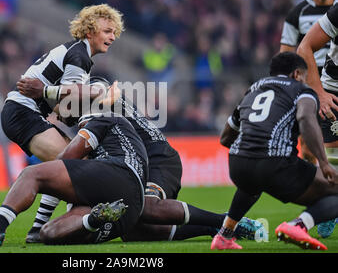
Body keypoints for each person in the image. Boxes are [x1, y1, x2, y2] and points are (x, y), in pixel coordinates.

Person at [18, 77, 266, 243]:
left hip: (157, 157)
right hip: (135, 164)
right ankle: (217, 227)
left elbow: (99, 90)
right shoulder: (89, 116)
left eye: (57, 108)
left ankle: (229, 222)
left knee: (147, 206)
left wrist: (45, 91)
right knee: (133, 229)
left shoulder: (97, 92)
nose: (58, 115)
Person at [0, 91, 148, 246]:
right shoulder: (119, 127)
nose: (56, 113)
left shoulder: (99, 117)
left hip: (119, 174)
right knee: (51, 234)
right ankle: (93, 220)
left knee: (33, 173)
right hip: (127, 210)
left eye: (62, 104)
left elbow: (65, 161)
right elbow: (65, 173)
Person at [2, 4, 124, 240]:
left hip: (23, 112)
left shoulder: (78, 53)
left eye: (114, 32)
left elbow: (64, 108)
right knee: (74, 165)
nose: (112, 36)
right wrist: (100, 92)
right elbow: (72, 97)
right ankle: (7, 225)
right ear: (90, 31)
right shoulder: (79, 55)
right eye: (107, 31)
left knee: (69, 161)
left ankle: (37, 229)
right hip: (22, 112)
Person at [210, 52, 338, 250]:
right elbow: (305, 118)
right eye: (304, 76)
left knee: (252, 183)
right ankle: (299, 225)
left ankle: (224, 235)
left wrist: (250, 151)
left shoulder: (253, 89)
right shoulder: (302, 90)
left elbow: (225, 137)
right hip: (275, 163)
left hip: (237, 163)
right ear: (296, 74)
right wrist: (323, 162)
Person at [280, 0, 337, 165]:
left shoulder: (336, 9)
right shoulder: (297, 14)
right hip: (311, 84)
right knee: (309, 147)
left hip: (332, 81)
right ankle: (318, 189)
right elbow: (285, 57)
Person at [297, 0, 338, 238]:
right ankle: (327, 210)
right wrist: (320, 95)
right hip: (334, 91)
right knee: (331, 163)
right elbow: (304, 47)